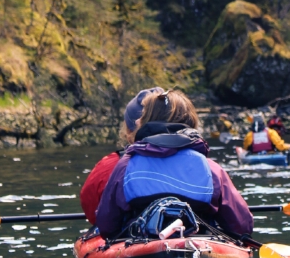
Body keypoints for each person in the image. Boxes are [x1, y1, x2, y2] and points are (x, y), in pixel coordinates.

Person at [95, 89, 254, 238]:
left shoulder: (125, 166)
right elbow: (242, 227)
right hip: (199, 242)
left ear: (145, 121)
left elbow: (106, 226)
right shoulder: (211, 169)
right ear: (191, 122)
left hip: (141, 243)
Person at [79, 87, 162, 225]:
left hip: (128, 232)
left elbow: (92, 209)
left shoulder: (110, 166)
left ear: (129, 130)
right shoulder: (197, 161)